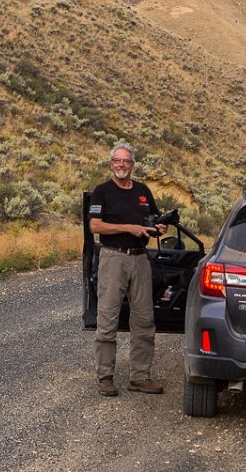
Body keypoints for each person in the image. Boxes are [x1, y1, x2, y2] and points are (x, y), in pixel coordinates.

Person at [88, 142, 166, 397]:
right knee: (107, 318)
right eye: (117, 161)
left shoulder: (143, 191)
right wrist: (129, 228)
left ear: (133, 165)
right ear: (111, 164)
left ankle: (140, 376)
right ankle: (105, 377)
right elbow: (96, 227)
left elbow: (154, 217)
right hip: (113, 258)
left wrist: (159, 227)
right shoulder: (102, 192)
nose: (122, 165)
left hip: (140, 259)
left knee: (144, 319)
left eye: (127, 161)